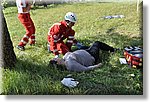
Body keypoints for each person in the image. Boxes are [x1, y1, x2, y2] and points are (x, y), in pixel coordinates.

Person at [49, 41, 118, 72]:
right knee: (97, 43)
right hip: (92, 55)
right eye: (55, 59)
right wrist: (97, 66)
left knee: (84, 46)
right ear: (57, 63)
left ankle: (96, 48)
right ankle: (113, 50)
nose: (56, 57)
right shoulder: (71, 65)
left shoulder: (64, 59)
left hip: (85, 51)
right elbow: (85, 69)